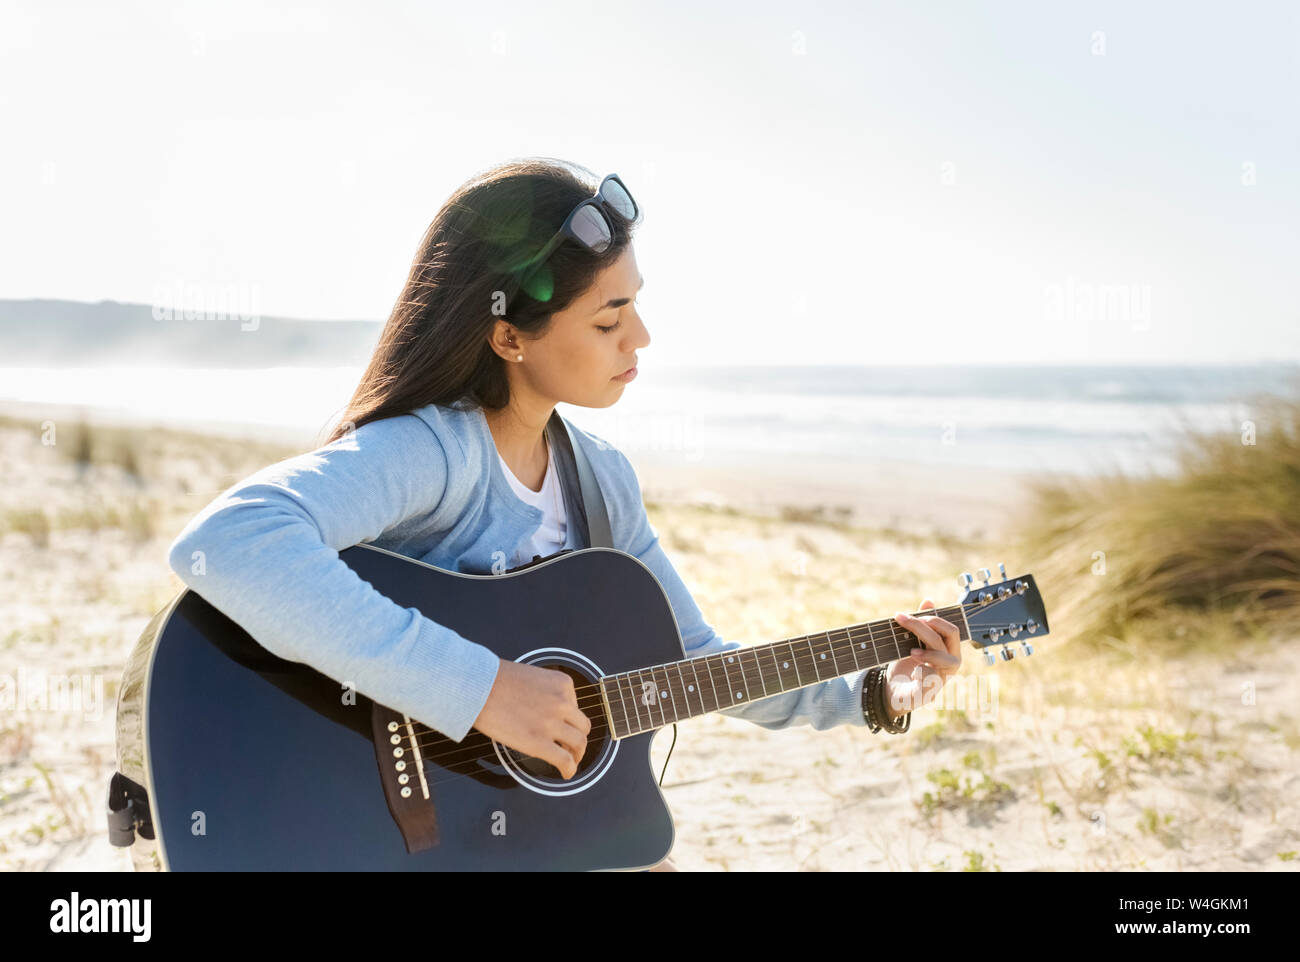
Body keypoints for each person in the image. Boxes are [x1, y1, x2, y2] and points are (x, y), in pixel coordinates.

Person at [166, 158, 962, 872]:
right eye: (608, 320)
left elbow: (696, 660)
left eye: (636, 307)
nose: (641, 339)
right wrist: (480, 690)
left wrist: (871, 692)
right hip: (367, 819)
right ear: (510, 337)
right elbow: (231, 540)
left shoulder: (602, 481)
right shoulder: (436, 453)